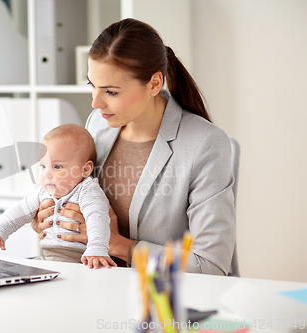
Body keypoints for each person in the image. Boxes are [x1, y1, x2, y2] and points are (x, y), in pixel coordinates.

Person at [32, 18, 237, 275]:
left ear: (154, 83)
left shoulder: (204, 143)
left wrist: (120, 245)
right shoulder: (98, 124)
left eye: (111, 92)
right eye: (92, 86)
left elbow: (211, 265)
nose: (96, 103)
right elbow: (77, 195)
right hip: (94, 284)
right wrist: (49, 219)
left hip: (161, 299)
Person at [0, 124, 117, 269]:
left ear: (85, 169)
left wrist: (97, 248)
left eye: (57, 166)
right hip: (48, 257)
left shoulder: (87, 191)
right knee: (13, 270)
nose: (47, 173)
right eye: (43, 166)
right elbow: (20, 210)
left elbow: (97, 217)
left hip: (77, 261)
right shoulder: (43, 192)